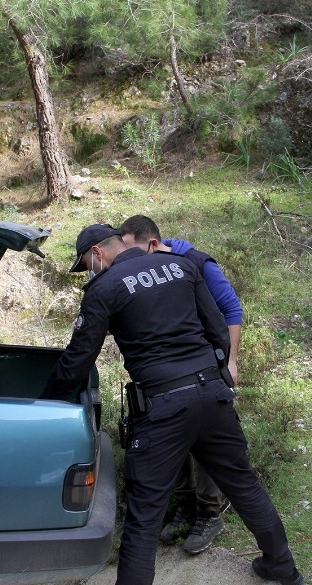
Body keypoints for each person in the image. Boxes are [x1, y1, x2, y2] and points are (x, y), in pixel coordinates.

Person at [42, 223, 302, 585]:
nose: (87, 272)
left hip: (162, 409)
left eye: (85, 264)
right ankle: (283, 565)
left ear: (98, 253)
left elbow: (79, 359)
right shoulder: (180, 266)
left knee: (144, 519)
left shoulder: (104, 288)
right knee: (243, 482)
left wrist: (45, 402)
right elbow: (217, 329)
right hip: (212, 395)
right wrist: (218, 381)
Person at [119, 214, 240, 555]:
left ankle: (210, 514)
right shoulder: (152, 271)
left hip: (207, 368)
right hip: (174, 372)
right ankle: (186, 506)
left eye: (132, 250)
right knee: (177, 440)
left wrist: (230, 362)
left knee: (205, 445)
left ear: (152, 243)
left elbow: (231, 309)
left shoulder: (197, 262)